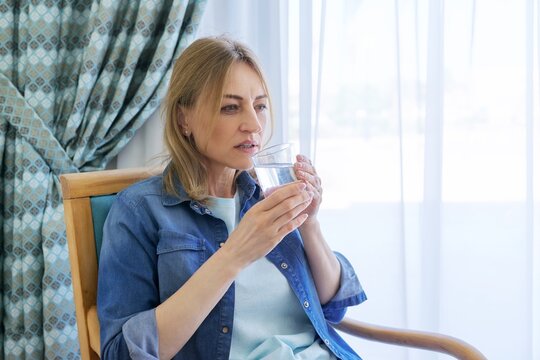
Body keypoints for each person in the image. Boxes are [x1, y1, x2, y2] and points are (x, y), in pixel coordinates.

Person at [97, 36, 367, 360]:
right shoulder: (140, 211)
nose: (253, 125)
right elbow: (123, 353)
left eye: (260, 105)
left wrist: (309, 222)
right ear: (184, 119)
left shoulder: (267, 195)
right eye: (230, 107)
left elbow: (333, 305)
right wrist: (234, 256)